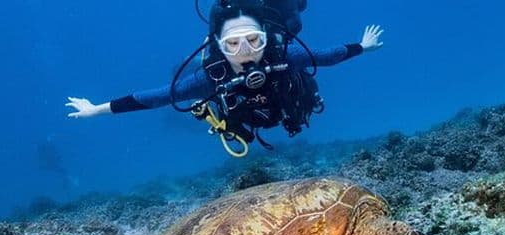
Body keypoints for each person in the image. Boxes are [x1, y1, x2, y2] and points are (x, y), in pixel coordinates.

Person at [66, 0, 384, 156]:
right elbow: (158, 97)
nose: (245, 52)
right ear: (218, 45)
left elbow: (327, 56)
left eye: (254, 41)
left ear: (266, 39)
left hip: (287, 107)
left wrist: (363, 47)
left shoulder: (283, 56)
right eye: (233, 44)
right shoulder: (210, 77)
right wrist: (98, 109)